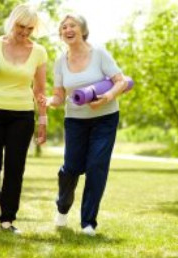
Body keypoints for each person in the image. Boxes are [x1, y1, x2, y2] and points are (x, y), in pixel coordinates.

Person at [39, 14, 128, 236]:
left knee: (96, 167)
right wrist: (50, 101)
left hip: (105, 118)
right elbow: (59, 95)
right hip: (76, 120)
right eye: (63, 27)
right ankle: (62, 207)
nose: (67, 29)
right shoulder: (60, 61)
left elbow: (122, 81)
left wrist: (106, 97)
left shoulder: (99, 53)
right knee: (71, 168)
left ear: (83, 30)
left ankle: (88, 223)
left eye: (73, 26)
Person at [0, 3, 48, 234]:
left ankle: (8, 219)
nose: (24, 32)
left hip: (21, 115)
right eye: (21, 26)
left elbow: (40, 90)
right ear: (13, 21)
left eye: (30, 28)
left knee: (15, 167)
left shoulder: (39, 51)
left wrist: (42, 120)